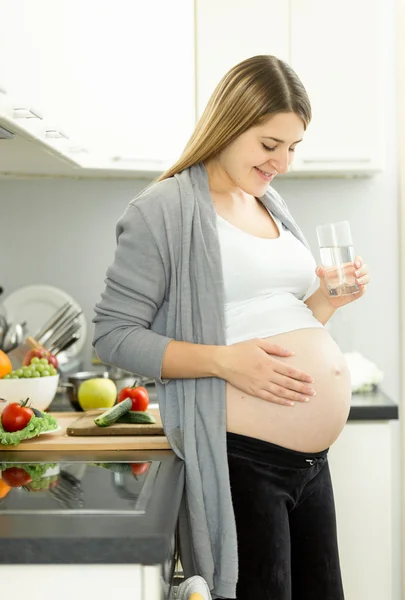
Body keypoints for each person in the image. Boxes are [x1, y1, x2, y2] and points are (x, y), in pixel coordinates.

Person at [93, 55, 370, 600]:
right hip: (242, 460)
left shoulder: (269, 201)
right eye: (270, 145)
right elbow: (114, 335)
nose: (283, 163)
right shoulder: (163, 210)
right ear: (228, 123)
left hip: (311, 466)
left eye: (293, 147)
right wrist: (225, 361)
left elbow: (279, 319)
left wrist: (327, 301)